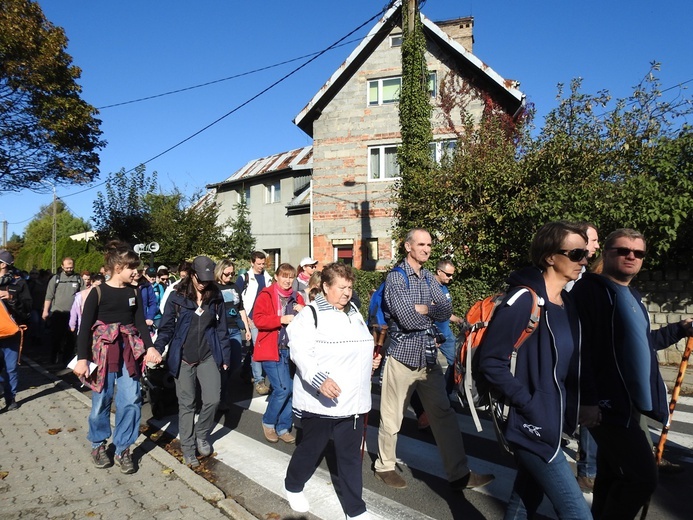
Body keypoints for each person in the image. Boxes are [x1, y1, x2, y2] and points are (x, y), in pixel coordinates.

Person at [572, 228, 693, 519]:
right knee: (643, 479)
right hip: (608, 404)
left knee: (613, 476)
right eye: (623, 251)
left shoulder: (633, 295)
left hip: (631, 404)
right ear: (606, 253)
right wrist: (589, 399)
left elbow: (644, 344)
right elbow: (580, 350)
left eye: (638, 253)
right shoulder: (590, 291)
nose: (631, 257)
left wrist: (678, 329)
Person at [476, 221, 592, 519]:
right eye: (577, 253)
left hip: (555, 421)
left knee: (523, 500)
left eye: (587, 253)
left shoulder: (566, 302)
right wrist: (528, 404)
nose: (584, 260)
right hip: (533, 424)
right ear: (551, 256)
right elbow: (491, 361)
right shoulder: (523, 300)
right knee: (578, 514)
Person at [374, 228, 493, 490]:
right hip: (402, 357)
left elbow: (446, 309)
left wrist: (425, 309)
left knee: (444, 414)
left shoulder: (429, 277)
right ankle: (384, 466)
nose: (427, 249)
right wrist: (429, 311)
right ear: (408, 247)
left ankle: (459, 473)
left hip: (428, 358)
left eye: (429, 245)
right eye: (421, 244)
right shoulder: (396, 278)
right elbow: (406, 318)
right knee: (392, 416)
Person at [284, 262, 381, 518]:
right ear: (326, 287)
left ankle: (355, 510)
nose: (347, 292)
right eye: (341, 287)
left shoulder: (355, 313)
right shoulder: (311, 315)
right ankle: (293, 485)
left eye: (350, 287)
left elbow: (358, 346)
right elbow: (300, 352)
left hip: (354, 402)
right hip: (321, 402)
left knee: (350, 457)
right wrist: (319, 380)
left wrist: (369, 361)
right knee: (311, 449)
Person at [74, 242, 162, 474]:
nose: (136, 271)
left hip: (128, 352)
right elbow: (84, 329)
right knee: (101, 400)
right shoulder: (98, 292)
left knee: (131, 399)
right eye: (132, 267)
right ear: (118, 267)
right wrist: (82, 359)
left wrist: (150, 347)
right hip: (102, 353)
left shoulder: (134, 291)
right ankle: (98, 444)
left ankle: (124, 448)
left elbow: (140, 322)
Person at [154, 256, 232, 467]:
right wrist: (157, 349)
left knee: (213, 399)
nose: (204, 283)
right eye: (201, 279)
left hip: (208, 355)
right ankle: (188, 449)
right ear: (192, 274)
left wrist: (225, 356)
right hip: (183, 358)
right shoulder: (177, 296)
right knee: (187, 405)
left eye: (208, 280)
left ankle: (202, 434)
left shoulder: (215, 296)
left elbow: (221, 328)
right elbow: (167, 328)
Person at [252, 263, 304, 444]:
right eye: (284, 276)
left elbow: (307, 322)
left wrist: (303, 311)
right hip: (271, 349)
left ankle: (283, 427)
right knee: (282, 389)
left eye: (291, 277)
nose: (288, 280)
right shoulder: (266, 294)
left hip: (291, 351)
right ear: (277, 276)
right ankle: (268, 422)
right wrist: (280, 319)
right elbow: (258, 319)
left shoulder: (297, 297)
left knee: (292, 391)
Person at [565, 222, 600, 493]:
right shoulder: (564, 277)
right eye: (593, 240)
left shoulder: (589, 278)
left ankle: (587, 469)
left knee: (590, 407)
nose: (596, 246)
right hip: (565, 359)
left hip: (586, 357)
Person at [214, 258, 251, 407]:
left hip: (235, 330)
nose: (230, 277)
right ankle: (222, 395)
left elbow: (240, 308)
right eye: (227, 274)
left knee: (235, 363)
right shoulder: (213, 288)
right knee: (223, 364)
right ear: (219, 272)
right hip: (220, 331)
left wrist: (247, 329)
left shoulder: (235, 287)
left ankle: (223, 387)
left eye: (232, 274)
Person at [237, 251, 273, 395]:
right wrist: (246, 319)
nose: (261, 266)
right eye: (258, 264)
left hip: (265, 317)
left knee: (255, 347)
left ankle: (245, 370)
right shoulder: (244, 278)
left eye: (263, 263)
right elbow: (237, 299)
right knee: (258, 347)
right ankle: (259, 380)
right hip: (251, 318)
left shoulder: (268, 278)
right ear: (252, 263)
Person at [0, 250, 32, 411]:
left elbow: (27, 310)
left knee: (11, 367)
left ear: (3, 264)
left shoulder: (18, 283)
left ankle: (10, 398)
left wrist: (12, 299)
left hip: (11, 333)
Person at [43, 257, 85, 364]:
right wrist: (45, 311)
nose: (69, 269)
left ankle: (66, 360)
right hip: (58, 313)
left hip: (73, 315)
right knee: (56, 337)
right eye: (67, 268)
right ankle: (53, 358)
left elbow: (83, 295)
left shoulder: (79, 279)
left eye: (71, 267)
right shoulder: (56, 279)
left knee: (71, 339)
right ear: (62, 266)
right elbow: (49, 296)